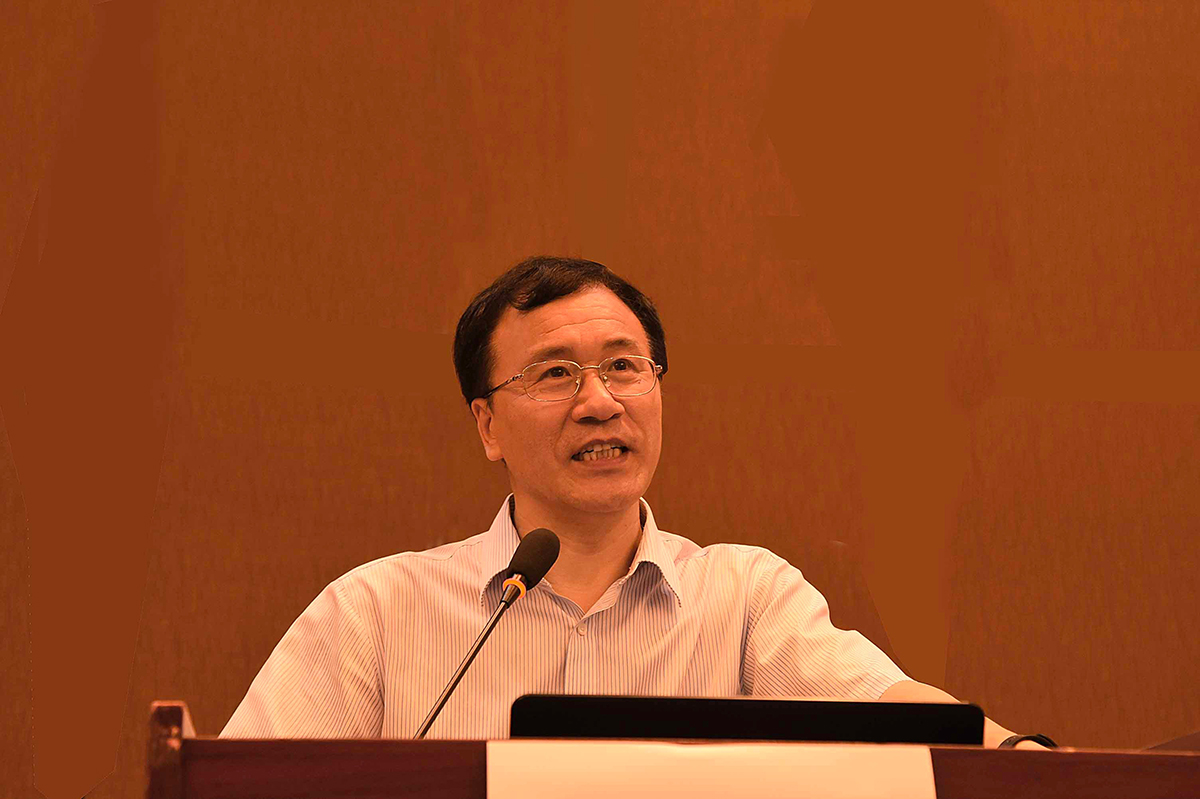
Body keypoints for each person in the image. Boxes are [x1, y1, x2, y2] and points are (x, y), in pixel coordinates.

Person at [221, 256, 1038, 746]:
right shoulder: (376, 614)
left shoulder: (744, 599)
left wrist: (1018, 754)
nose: (600, 401)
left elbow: (892, 710)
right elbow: (239, 782)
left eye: (623, 366)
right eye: (555, 373)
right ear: (487, 425)